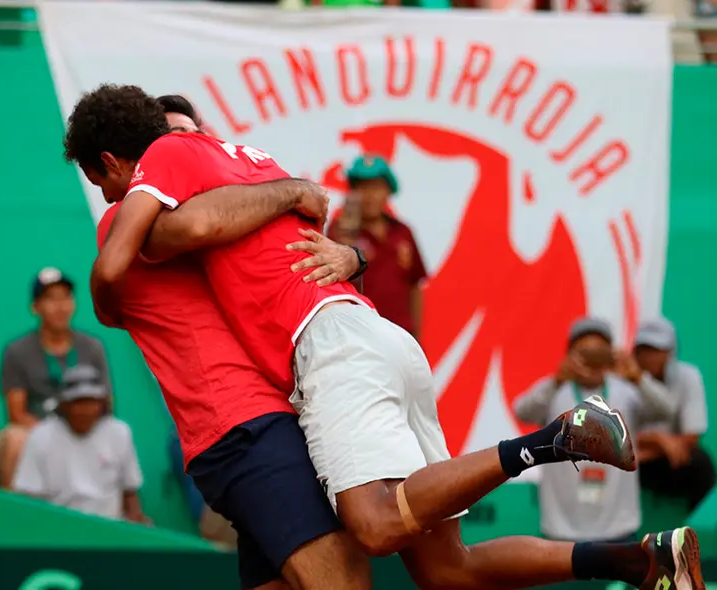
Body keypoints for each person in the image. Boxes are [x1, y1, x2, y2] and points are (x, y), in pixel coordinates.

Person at [67, 83, 703, 590]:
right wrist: (309, 205)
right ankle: (637, 562)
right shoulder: (255, 166)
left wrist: (301, 209)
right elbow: (297, 214)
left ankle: (555, 438)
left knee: (372, 528)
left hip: (315, 364)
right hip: (373, 342)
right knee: (449, 571)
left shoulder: (164, 175)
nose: (117, 195)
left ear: (123, 162)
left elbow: (135, 261)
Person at [86, 91, 374, 590]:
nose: (190, 147)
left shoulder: (176, 214)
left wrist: (350, 255)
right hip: (245, 427)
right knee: (342, 581)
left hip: (256, 424)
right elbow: (200, 220)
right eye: (177, 140)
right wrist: (292, 190)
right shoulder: (130, 221)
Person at [514, 318, 676, 542]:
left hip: (619, 525)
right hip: (561, 528)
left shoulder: (626, 390)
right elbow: (522, 411)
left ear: (610, 353)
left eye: (599, 352)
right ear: (570, 354)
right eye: (583, 352)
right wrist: (557, 380)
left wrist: (637, 377)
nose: (591, 359)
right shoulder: (554, 391)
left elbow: (667, 409)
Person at [0, 267, 112, 489]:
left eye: (66, 297)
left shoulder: (93, 348)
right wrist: (57, 436)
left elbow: (106, 406)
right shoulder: (17, 351)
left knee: (117, 433)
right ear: (35, 307)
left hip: (85, 431)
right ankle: (9, 516)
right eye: (50, 298)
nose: (60, 306)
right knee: (13, 439)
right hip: (36, 432)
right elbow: (16, 414)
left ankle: (124, 515)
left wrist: (77, 432)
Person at [12, 365, 148, 523]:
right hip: (59, 529)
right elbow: (30, 498)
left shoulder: (119, 432)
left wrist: (137, 522)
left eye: (92, 402)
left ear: (102, 404)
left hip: (110, 529)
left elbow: (130, 492)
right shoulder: (41, 436)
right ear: (64, 405)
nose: (86, 410)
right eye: (79, 403)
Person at [327, 156, 427, 338]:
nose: (369, 195)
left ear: (389, 191)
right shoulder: (339, 231)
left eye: (376, 187)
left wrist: (417, 337)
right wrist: (345, 236)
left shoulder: (403, 232)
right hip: (359, 337)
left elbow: (414, 286)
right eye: (362, 187)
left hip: (402, 336)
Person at [631, 318, 715, 511]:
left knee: (701, 464)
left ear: (670, 352)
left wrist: (653, 449)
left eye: (657, 350)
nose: (650, 356)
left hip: (663, 458)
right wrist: (659, 439)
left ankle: (694, 530)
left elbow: (691, 435)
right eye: (645, 350)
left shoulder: (689, 377)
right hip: (627, 456)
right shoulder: (618, 381)